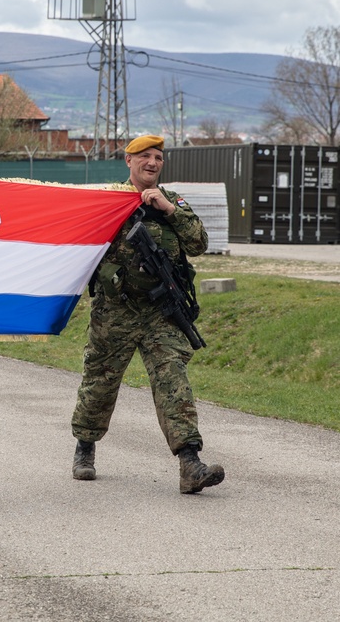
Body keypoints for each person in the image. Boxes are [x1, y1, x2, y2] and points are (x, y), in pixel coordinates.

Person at [70, 134, 224, 495]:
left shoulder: (172, 202)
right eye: (145, 157)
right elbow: (80, 242)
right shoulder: (110, 199)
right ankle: (85, 448)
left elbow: (199, 243)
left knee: (173, 380)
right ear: (129, 160)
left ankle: (190, 464)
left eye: (158, 157)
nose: (152, 163)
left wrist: (169, 210)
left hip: (160, 313)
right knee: (100, 381)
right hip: (115, 311)